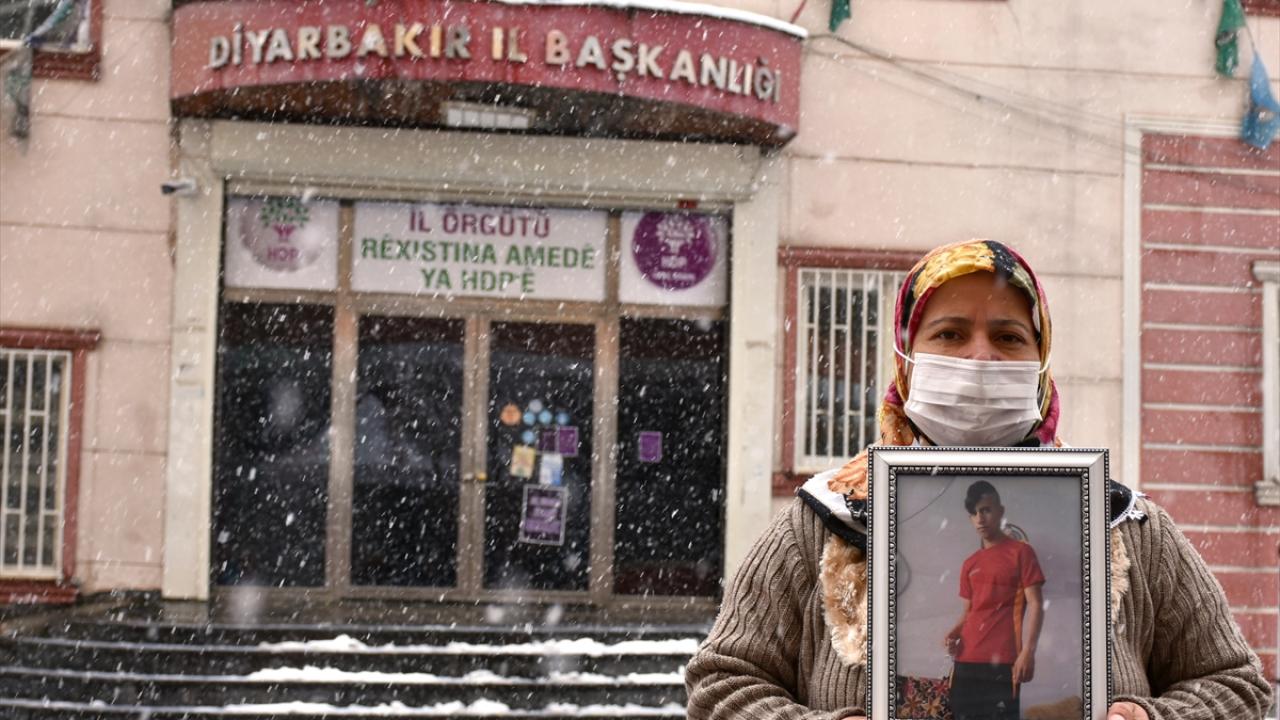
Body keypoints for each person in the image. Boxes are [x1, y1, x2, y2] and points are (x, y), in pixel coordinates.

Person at [684, 239, 1273, 720]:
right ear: (906, 358)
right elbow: (722, 684)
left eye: (1009, 337)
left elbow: (1234, 684)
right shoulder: (822, 521)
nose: (980, 357)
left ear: (1042, 361)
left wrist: (1148, 718)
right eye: (950, 333)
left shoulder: (1126, 525)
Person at [943, 481, 1045, 720]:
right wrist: (954, 633)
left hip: (1003, 662)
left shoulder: (1022, 552)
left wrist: (1028, 652)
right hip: (965, 661)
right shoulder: (970, 563)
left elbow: (1036, 604)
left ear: (1000, 511)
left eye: (986, 510)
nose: (980, 518)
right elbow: (970, 611)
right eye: (974, 513)